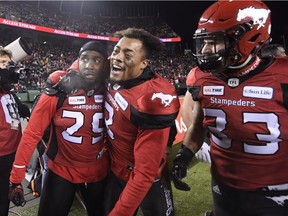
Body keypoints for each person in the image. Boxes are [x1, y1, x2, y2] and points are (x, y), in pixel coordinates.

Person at [171, 1, 288, 216]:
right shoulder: (201, 78)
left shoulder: (282, 76)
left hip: (278, 191)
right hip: (224, 186)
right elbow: (198, 126)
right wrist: (184, 155)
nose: (205, 49)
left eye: (214, 41)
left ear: (247, 38)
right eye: (204, 41)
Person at [9, 41, 109, 216]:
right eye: (85, 59)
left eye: (96, 60)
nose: (89, 65)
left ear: (105, 65)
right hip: (62, 169)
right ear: (78, 60)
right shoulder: (60, 86)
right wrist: (16, 178)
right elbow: (32, 134)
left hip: (97, 170)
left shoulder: (111, 89)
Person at [104, 27, 180, 216]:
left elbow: (145, 172)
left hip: (147, 178)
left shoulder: (149, 98)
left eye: (128, 54)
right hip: (115, 169)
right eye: (116, 51)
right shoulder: (112, 71)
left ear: (143, 63)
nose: (118, 58)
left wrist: (168, 142)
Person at [0, 47, 24, 216]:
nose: (7, 67)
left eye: (9, 63)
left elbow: (23, 112)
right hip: (0, 153)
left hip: (13, 152)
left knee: (4, 197)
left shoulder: (8, 92)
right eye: (2, 63)